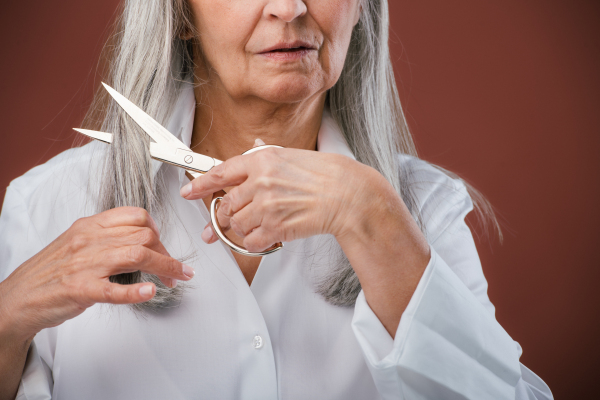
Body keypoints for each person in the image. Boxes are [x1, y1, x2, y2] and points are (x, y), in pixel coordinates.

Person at [0, 0, 553, 399]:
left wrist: (367, 213)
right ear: (182, 15)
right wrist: (5, 322)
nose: (289, 8)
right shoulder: (49, 204)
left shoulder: (419, 211)